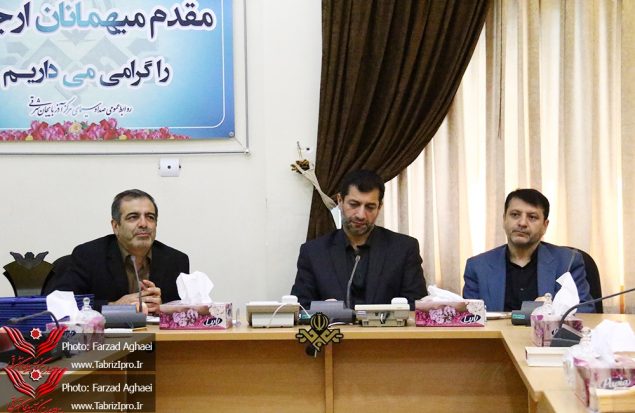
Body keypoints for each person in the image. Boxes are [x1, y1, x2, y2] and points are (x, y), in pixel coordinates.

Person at [291, 170, 427, 310]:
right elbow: (301, 309)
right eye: (354, 204)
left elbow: (418, 308)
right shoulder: (314, 252)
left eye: (370, 207)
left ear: (379, 207)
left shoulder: (404, 249)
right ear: (340, 201)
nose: (361, 215)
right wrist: (322, 309)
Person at [43, 189, 189, 312]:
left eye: (150, 217)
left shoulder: (176, 260)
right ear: (116, 226)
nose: (144, 224)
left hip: (158, 337)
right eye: (133, 217)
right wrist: (113, 306)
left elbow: (187, 311)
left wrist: (163, 308)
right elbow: (59, 304)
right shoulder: (88, 255)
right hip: (104, 336)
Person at [462, 188, 594, 312]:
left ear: (545, 225)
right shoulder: (477, 267)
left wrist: (550, 313)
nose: (522, 223)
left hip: (548, 330)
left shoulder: (568, 262)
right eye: (515, 215)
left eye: (532, 217)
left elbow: (584, 312)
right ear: (504, 219)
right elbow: (470, 318)